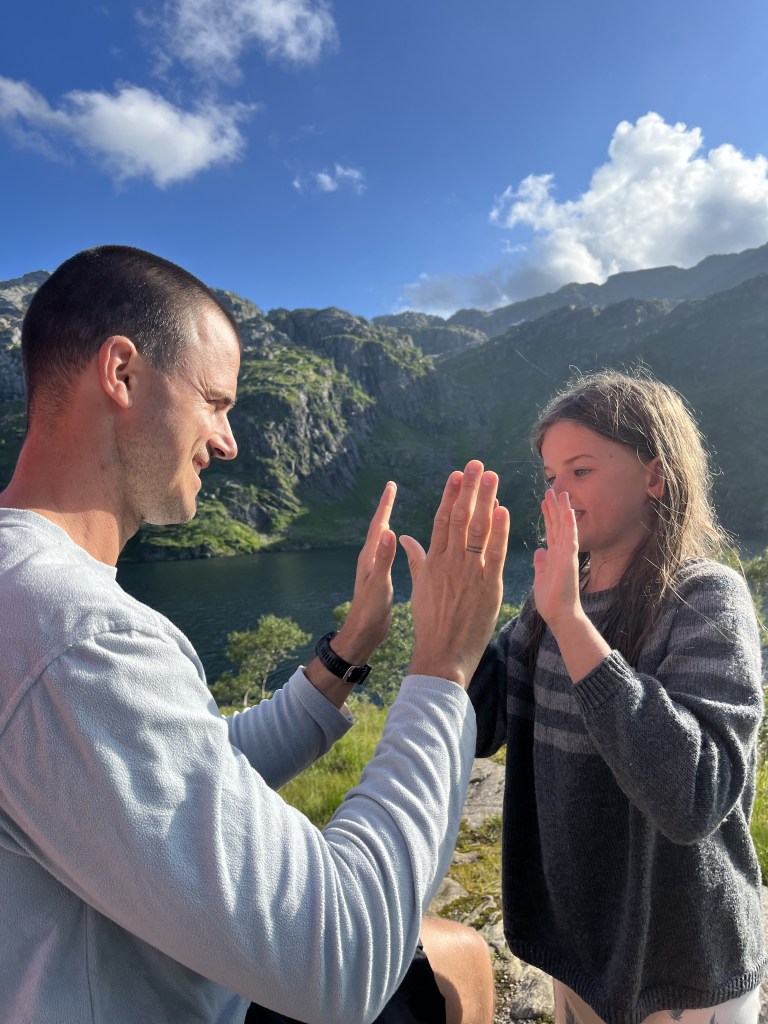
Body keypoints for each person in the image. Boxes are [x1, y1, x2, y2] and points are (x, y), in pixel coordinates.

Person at [0, 245, 509, 1024]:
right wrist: (443, 666)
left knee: (456, 953)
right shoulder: (74, 633)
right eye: (215, 402)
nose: (228, 440)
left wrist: (347, 653)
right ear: (122, 373)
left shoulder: (32, 605)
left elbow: (169, 768)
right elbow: (343, 955)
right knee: (460, 961)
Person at [469, 370, 766, 1024]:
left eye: (580, 470)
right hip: (579, 954)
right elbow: (478, 724)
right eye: (551, 476)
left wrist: (572, 624)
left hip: (687, 976)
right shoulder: (549, 603)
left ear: (655, 475)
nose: (558, 494)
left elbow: (694, 796)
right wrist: (457, 621)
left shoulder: (705, 598)